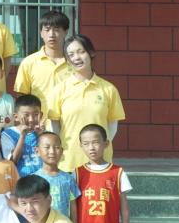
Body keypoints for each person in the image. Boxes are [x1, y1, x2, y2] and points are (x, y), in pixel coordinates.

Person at [47, 34, 126, 172]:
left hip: (100, 162)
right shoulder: (59, 89)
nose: (76, 58)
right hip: (69, 161)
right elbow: (54, 125)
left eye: (81, 52)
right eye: (71, 54)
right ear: (67, 60)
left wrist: (99, 147)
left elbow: (112, 125)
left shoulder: (109, 89)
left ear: (91, 53)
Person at [14, 10, 72, 110]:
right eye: (47, 30)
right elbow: (22, 96)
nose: (51, 34)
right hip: (39, 119)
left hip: (69, 118)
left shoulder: (74, 62)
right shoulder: (29, 62)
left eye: (56, 29)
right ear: (41, 33)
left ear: (66, 32)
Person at [33, 131, 80, 220]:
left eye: (56, 147)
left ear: (62, 151)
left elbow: (73, 208)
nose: (52, 151)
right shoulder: (33, 179)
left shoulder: (68, 179)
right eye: (47, 147)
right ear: (37, 151)